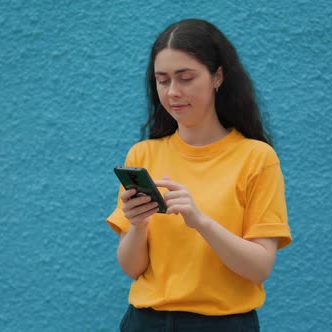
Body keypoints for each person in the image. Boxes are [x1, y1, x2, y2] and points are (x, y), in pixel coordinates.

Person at [106, 18, 292, 332]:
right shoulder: (143, 155)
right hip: (145, 321)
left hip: (224, 324)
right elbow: (131, 267)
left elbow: (260, 267)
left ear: (218, 76)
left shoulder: (257, 158)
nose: (173, 92)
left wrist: (201, 221)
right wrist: (137, 225)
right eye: (162, 80)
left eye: (186, 77)